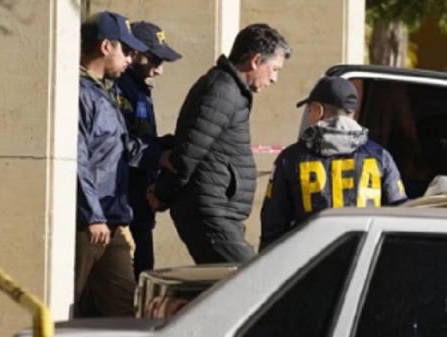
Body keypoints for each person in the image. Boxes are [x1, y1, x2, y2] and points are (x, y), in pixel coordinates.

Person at [152, 23, 291, 265]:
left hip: (220, 211)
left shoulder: (230, 90)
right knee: (249, 279)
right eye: (274, 69)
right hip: (210, 212)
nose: (274, 79)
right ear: (256, 60)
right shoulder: (222, 90)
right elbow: (189, 152)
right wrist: (162, 193)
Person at [76, 11, 171, 317]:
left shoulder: (104, 91)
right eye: (126, 51)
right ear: (106, 46)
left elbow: (121, 147)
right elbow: (76, 159)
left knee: (125, 311)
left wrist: (161, 154)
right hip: (88, 224)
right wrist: (92, 215)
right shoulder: (80, 93)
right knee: (68, 306)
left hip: (113, 219)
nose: (131, 59)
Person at [259, 77, 408, 250]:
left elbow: (273, 225)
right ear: (352, 113)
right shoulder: (380, 156)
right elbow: (399, 216)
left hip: (308, 260)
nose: (309, 115)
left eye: (309, 110)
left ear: (318, 110)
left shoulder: (291, 158)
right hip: (361, 258)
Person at [114, 21, 182, 279]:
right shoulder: (119, 88)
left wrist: (166, 144)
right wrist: (158, 156)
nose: (159, 70)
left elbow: (141, 138)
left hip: (139, 205)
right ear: (135, 53)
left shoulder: (140, 90)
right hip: (123, 203)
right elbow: (119, 144)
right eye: (155, 60)